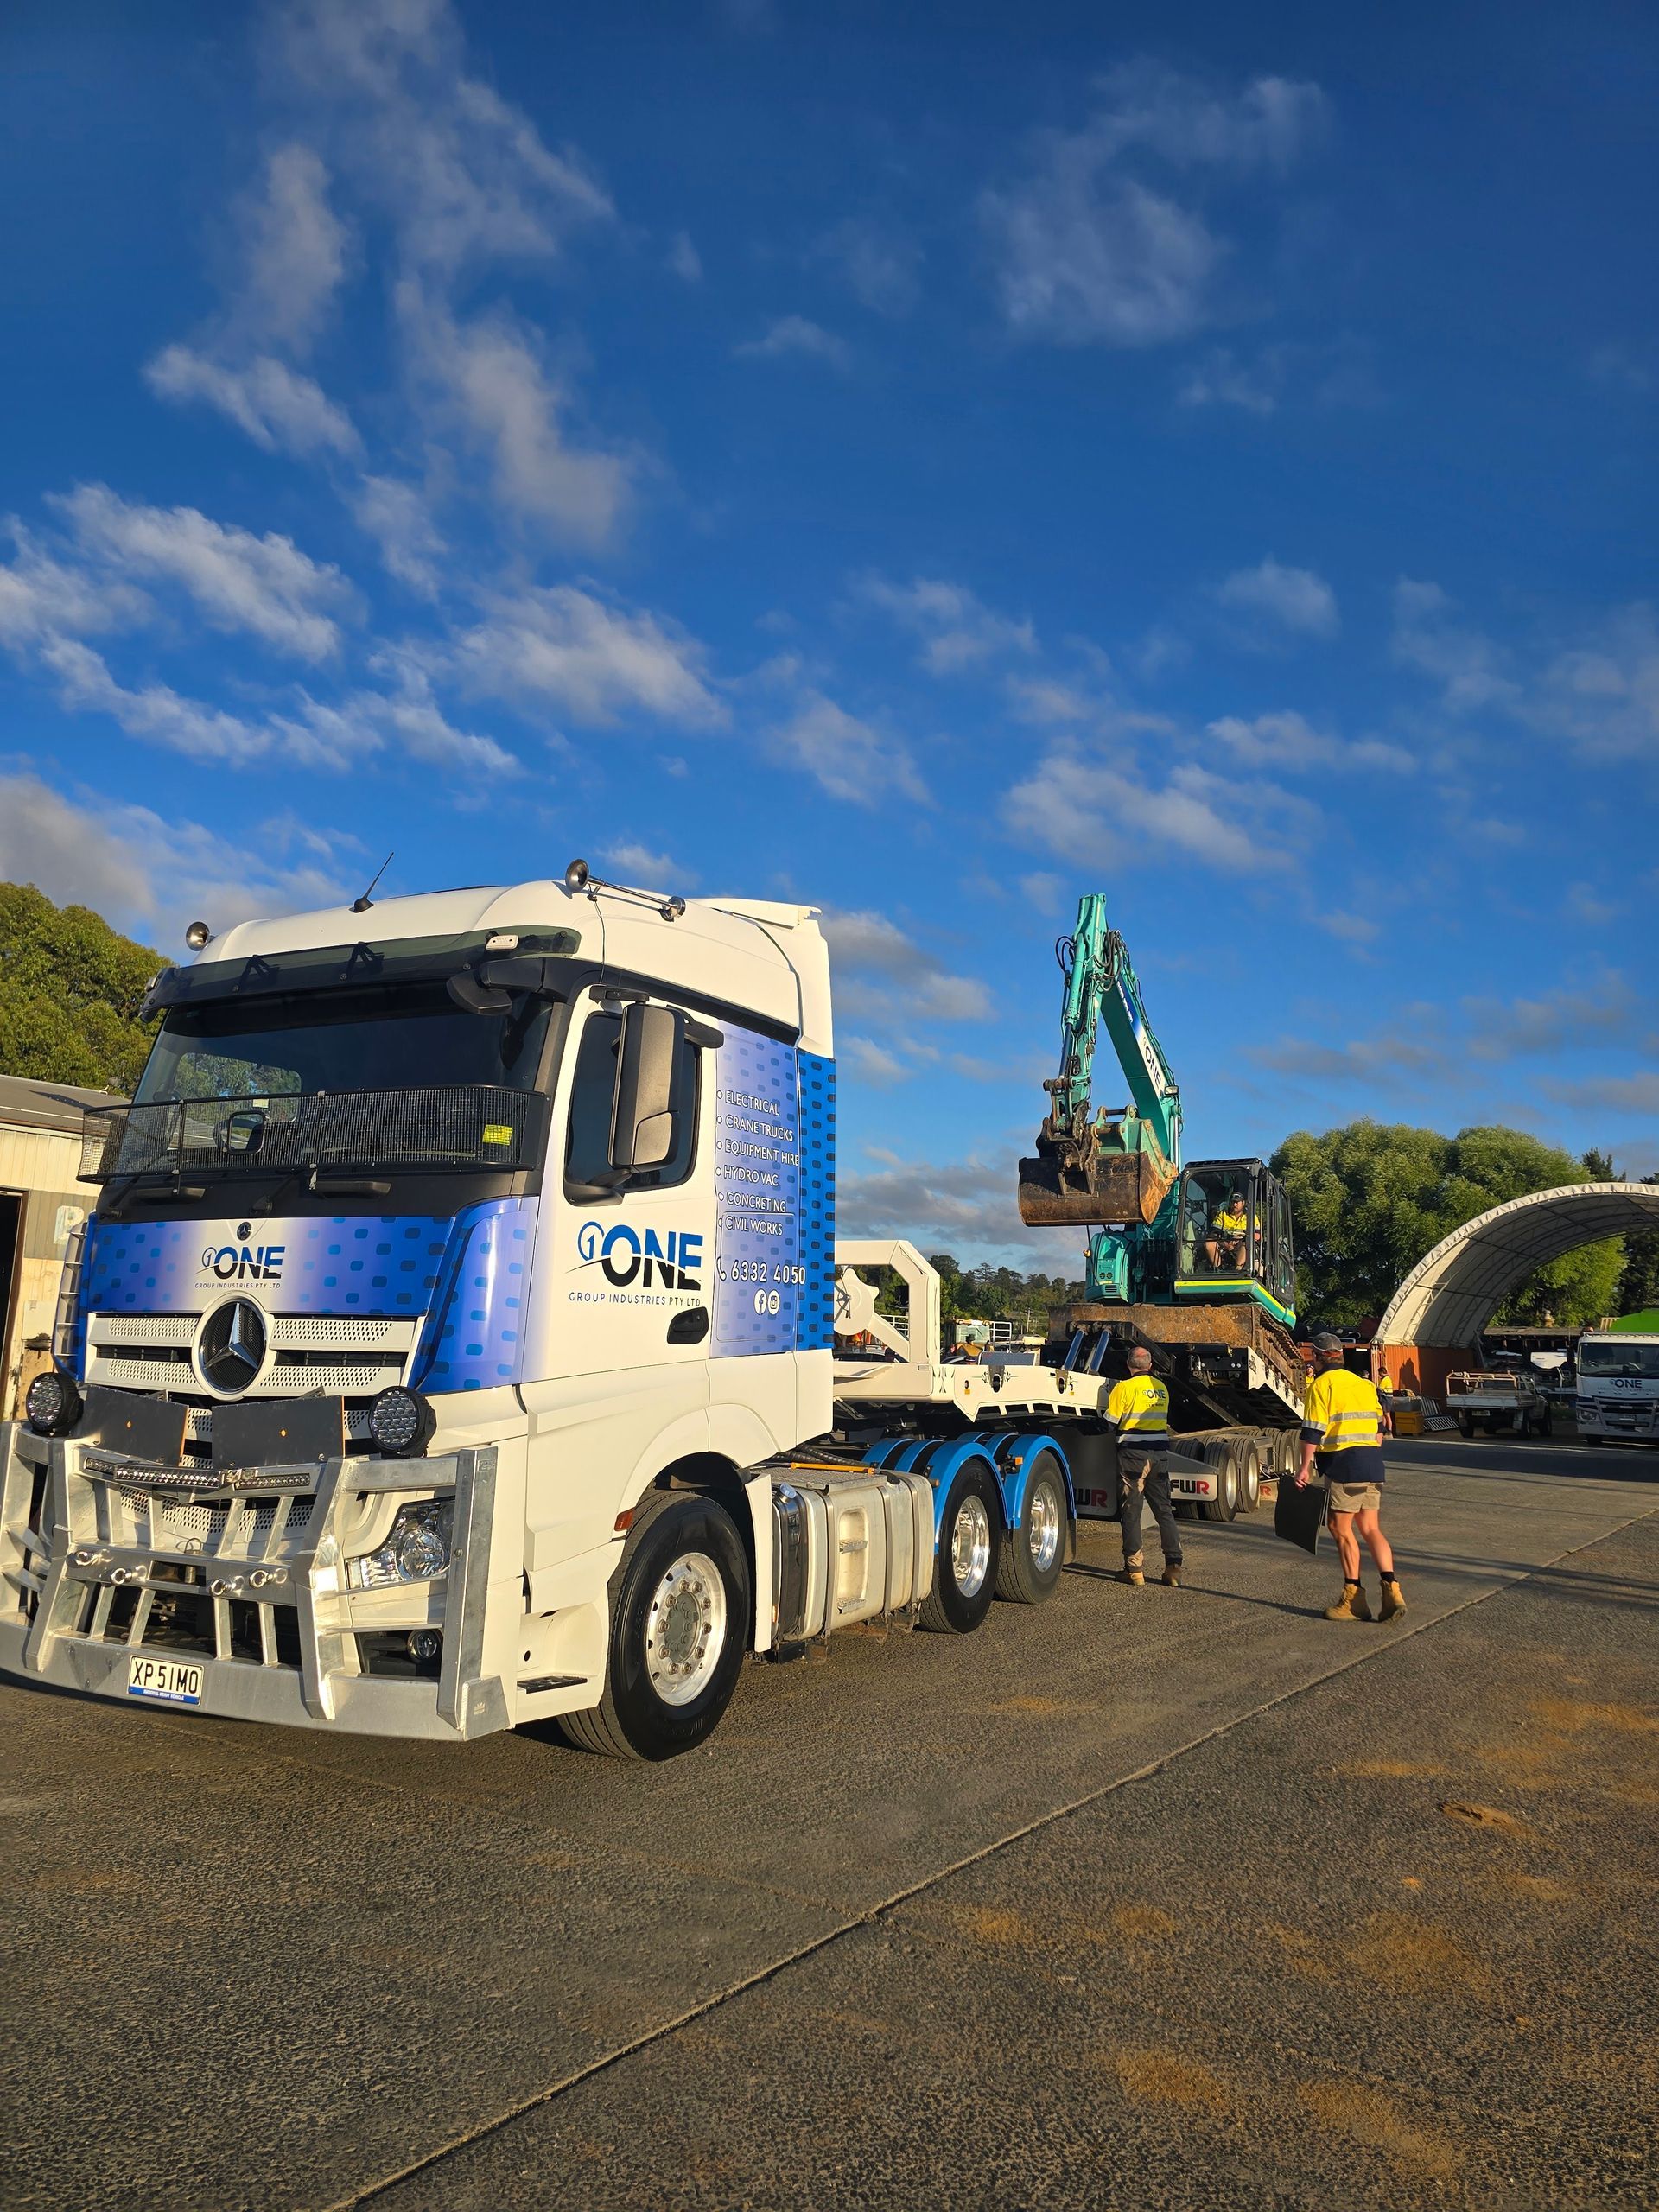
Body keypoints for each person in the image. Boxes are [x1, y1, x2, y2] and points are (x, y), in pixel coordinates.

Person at [1295, 1332, 1404, 1622]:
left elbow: (1312, 1432)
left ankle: (1353, 1600)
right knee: (1371, 1528)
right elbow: (1380, 1429)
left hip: (1344, 1464)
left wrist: (1303, 1468)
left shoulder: (1322, 1385)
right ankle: (1392, 1591)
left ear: (1317, 1357)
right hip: (1371, 1463)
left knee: (1339, 1528)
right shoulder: (1364, 1384)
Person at [1105, 1345, 1182, 1588]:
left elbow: (1109, 1424)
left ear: (1129, 1365)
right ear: (1150, 1365)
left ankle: (1134, 1570)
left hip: (1133, 1457)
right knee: (1164, 1511)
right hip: (1159, 1455)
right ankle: (1173, 1569)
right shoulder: (1161, 1389)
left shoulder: (1123, 1388)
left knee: (1132, 1511)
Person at [1205, 1190, 1250, 1273]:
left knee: (1247, 1244)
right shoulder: (1222, 1215)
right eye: (1232, 1202)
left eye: (1237, 1202)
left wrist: (1241, 1237)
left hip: (1241, 1244)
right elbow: (1213, 1233)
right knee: (1209, 1242)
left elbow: (1257, 1235)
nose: (1234, 1205)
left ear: (1243, 1203)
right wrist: (1224, 1243)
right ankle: (1218, 1269)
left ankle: (1238, 1270)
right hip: (1224, 1243)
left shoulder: (1250, 1217)